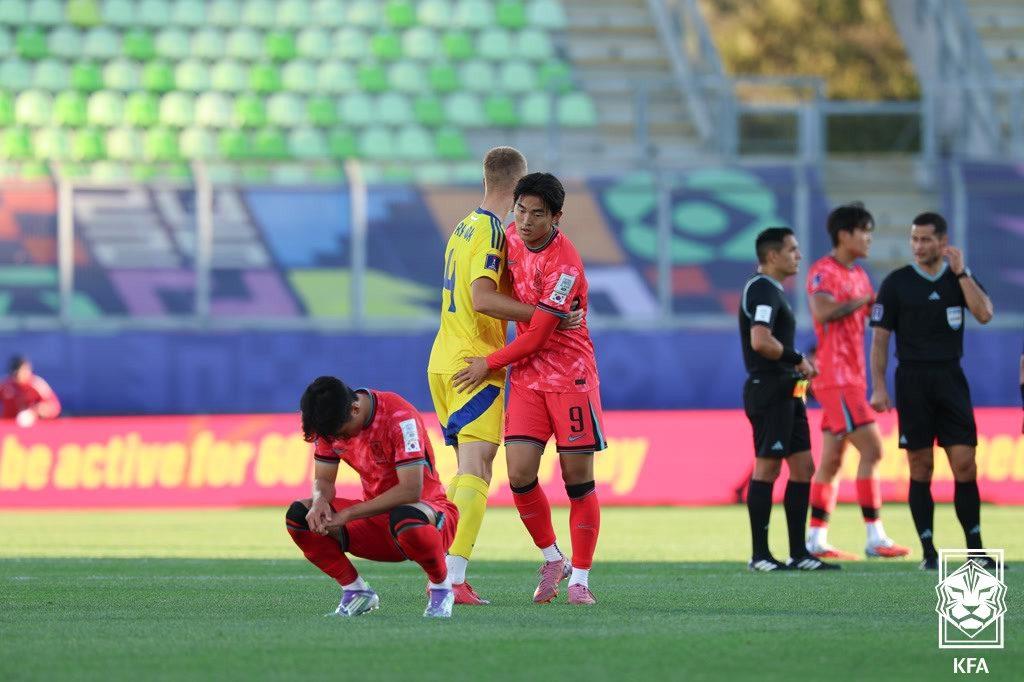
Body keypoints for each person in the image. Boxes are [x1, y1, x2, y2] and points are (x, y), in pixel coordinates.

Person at [426, 147, 581, 605]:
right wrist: (544, 314)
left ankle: (446, 567)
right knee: (476, 470)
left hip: (443, 358)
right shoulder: (495, 230)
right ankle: (450, 579)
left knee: (464, 472)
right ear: (520, 187)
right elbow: (483, 299)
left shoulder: (463, 225)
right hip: (475, 362)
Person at [454, 172, 605, 604]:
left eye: (538, 214)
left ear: (557, 217)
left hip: (570, 377)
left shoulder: (565, 265)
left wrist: (488, 363)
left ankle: (581, 579)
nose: (525, 221)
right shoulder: (506, 241)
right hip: (526, 378)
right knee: (519, 474)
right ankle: (552, 557)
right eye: (520, 210)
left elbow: (539, 336)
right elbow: (491, 295)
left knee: (577, 480)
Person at [869, 212, 995, 570]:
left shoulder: (959, 278)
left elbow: (984, 314)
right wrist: (879, 387)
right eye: (914, 239)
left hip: (950, 379)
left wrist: (963, 273)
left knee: (965, 464)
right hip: (912, 381)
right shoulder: (896, 283)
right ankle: (929, 552)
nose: (918, 246)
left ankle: (976, 551)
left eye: (925, 239)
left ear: (943, 242)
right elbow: (880, 339)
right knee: (921, 466)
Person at [285, 377, 459, 618]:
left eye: (341, 434)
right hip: (377, 524)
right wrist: (320, 501)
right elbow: (324, 480)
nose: (338, 441)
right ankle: (355, 592)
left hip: (429, 516)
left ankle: (441, 589)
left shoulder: (400, 418)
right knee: (299, 516)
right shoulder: (332, 422)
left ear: (355, 409)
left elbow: (411, 491)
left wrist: (347, 514)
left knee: (405, 516)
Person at [805, 204, 910, 560]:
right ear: (844, 234)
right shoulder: (823, 272)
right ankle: (874, 536)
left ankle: (815, 540)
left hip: (851, 377)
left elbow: (871, 314)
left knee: (832, 460)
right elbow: (821, 311)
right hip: (837, 377)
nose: (868, 238)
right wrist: (862, 300)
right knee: (874, 450)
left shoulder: (860, 276)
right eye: (864, 231)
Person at [739, 227, 839, 572]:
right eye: (793, 250)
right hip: (769, 388)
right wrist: (798, 359)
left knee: (804, 467)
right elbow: (761, 341)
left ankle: (799, 552)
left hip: (788, 390)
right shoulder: (763, 290)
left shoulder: (774, 290)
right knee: (768, 467)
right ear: (772, 256)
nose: (798, 255)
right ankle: (760, 555)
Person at [0, 355, 61, 426]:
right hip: (8, 427)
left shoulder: (37, 385)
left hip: (33, 428)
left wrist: (39, 410)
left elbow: (55, 407)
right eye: (15, 372)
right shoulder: (5, 385)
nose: (18, 375)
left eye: (21, 371)